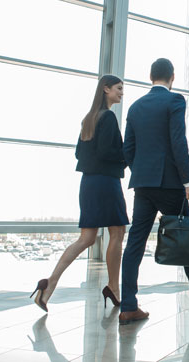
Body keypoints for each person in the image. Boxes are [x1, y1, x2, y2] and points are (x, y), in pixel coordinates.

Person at [118, 58, 189, 325]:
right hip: (170, 184)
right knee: (185, 237)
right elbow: (178, 142)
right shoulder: (174, 101)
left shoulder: (135, 107)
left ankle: (128, 306)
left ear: (150, 76)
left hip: (143, 185)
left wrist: (144, 172)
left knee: (135, 243)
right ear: (172, 77)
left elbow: (128, 150)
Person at [31, 75, 128, 312]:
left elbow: (78, 154)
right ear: (105, 89)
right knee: (117, 232)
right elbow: (107, 151)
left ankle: (49, 284)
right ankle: (114, 287)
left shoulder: (89, 119)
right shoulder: (109, 117)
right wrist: (128, 155)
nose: (121, 92)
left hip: (89, 183)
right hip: (106, 182)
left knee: (86, 238)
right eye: (118, 88)